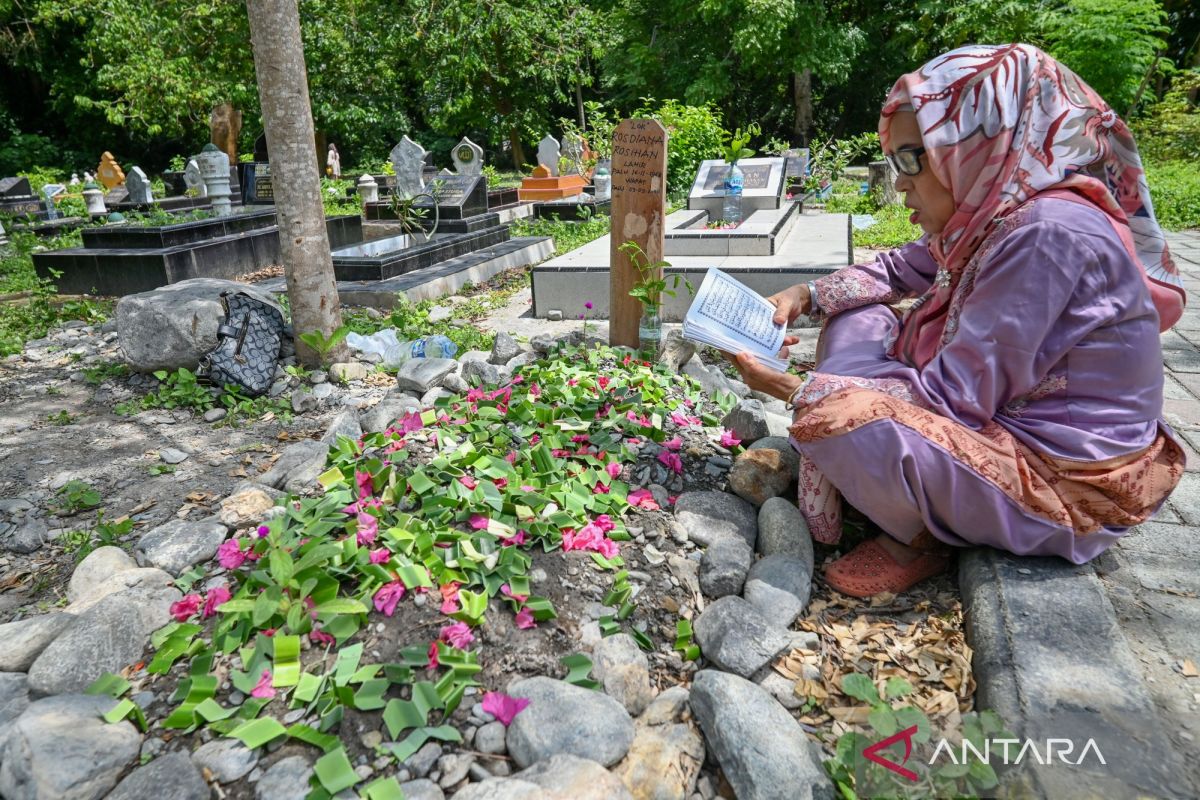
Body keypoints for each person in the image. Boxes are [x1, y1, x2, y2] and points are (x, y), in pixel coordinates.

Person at [728, 43, 1186, 598]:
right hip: (991, 419)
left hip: (1056, 476)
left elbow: (951, 400)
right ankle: (882, 479)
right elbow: (899, 268)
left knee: (838, 414)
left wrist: (798, 390)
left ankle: (918, 535)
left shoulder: (1047, 235)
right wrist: (806, 295)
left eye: (909, 161)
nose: (898, 184)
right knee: (857, 315)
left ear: (977, 145)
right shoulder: (995, 213)